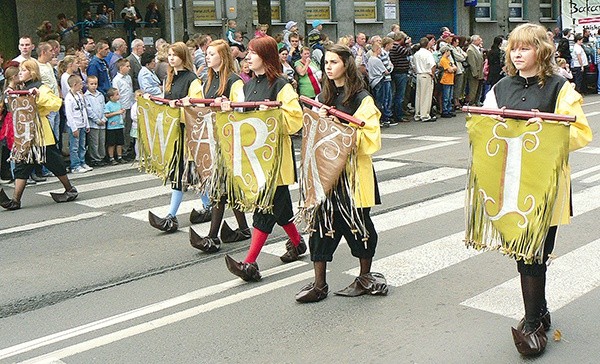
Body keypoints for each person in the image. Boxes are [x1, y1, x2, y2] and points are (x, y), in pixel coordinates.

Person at [480, 23, 592, 356]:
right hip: (509, 183)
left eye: (525, 47)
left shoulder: (562, 89)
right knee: (524, 250)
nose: (517, 53)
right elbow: (483, 128)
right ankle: (539, 312)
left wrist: (546, 131)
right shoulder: (499, 87)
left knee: (534, 250)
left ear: (541, 51)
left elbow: (581, 133)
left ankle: (531, 323)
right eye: (514, 47)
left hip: (545, 185)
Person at [295, 44, 387, 303]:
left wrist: (338, 124)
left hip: (352, 175)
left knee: (359, 226)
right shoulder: (323, 95)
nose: (328, 66)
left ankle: (364, 276)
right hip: (327, 176)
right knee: (321, 226)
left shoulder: (361, 98)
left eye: (334, 62)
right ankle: (319, 283)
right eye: (326, 62)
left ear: (346, 64)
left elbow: (371, 138)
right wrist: (318, 118)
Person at [222, 36, 305, 282]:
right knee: (280, 208)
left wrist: (272, 113)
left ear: (266, 57)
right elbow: (245, 118)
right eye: (247, 52)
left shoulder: (281, 85)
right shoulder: (247, 86)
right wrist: (231, 108)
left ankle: (249, 263)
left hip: (276, 160)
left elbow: (295, 120)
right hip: (256, 159)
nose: (248, 57)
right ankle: (298, 243)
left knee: (264, 208)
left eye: (253, 53)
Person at [189, 39, 251, 252]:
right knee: (226, 188)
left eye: (212, 54)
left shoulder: (235, 81)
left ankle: (212, 237)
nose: (208, 57)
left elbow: (242, 110)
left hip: (229, 140)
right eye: (207, 54)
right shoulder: (207, 81)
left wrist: (227, 107)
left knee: (219, 188)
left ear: (222, 57)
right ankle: (243, 228)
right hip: (213, 139)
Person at [147, 42, 211, 233]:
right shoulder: (169, 76)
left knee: (187, 172)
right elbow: (169, 103)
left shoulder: (192, 79)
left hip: (189, 133)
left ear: (183, 56)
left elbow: (196, 109)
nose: (171, 58)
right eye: (169, 55)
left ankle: (171, 216)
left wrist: (180, 108)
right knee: (189, 173)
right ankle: (206, 208)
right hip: (176, 132)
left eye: (175, 55)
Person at [0, 60, 78, 210]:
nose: (20, 73)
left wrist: (38, 96)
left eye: (23, 70)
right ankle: (15, 200)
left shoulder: (40, 88)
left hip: (41, 136)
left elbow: (56, 103)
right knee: (22, 166)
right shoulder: (21, 88)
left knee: (55, 164)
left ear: (32, 72)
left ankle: (69, 189)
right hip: (25, 136)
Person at [65, 75, 92, 173]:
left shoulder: (79, 95)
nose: (82, 85)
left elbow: (83, 109)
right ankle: (75, 165)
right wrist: (74, 128)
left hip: (82, 124)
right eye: (80, 84)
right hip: (75, 125)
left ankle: (82, 162)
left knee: (82, 145)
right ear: (75, 85)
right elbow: (69, 114)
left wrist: (87, 124)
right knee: (74, 147)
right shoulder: (69, 98)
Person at [368, 43, 393, 127]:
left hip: (373, 81)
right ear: (377, 50)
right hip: (379, 80)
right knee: (381, 101)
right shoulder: (377, 60)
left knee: (376, 99)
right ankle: (381, 119)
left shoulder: (370, 59)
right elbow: (386, 71)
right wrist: (390, 66)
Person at [112, 58, 134, 155]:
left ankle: (127, 147)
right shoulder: (117, 80)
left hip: (129, 104)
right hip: (122, 106)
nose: (129, 68)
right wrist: (119, 107)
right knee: (123, 128)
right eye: (127, 66)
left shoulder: (128, 77)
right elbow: (117, 94)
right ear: (121, 67)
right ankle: (121, 151)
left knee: (129, 128)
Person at [84, 75, 107, 167]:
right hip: (94, 123)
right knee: (94, 142)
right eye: (91, 84)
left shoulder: (100, 95)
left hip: (102, 122)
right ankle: (95, 158)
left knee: (102, 140)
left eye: (95, 84)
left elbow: (104, 108)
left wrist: (104, 118)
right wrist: (97, 120)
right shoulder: (86, 96)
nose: (94, 86)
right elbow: (89, 110)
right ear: (87, 84)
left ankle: (101, 156)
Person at [413, 37, 437, 122]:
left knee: (419, 95)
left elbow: (414, 66)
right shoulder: (428, 53)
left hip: (419, 75)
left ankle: (418, 114)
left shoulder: (416, 54)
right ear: (427, 44)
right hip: (426, 74)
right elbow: (433, 65)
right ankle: (425, 115)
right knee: (426, 96)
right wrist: (433, 74)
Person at [104, 87, 126, 164]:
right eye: (117, 94)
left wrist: (122, 111)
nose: (118, 96)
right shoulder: (108, 105)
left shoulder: (119, 103)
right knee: (111, 143)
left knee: (119, 142)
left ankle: (119, 156)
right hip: (111, 127)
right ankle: (111, 157)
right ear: (111, 97)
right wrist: (117, 112)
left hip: (119, 125)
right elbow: (106, 115)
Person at [438, 46, 457, 118]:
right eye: (449, 51)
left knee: (450, 97)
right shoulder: (443, 60)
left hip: (451, 79)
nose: (450, 52)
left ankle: (449, 110)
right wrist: (452, 69)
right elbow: (449, 70)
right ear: (445, 51)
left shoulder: (448, 59)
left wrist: (452, 68)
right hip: (446, 80)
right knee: (446, 97)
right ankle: (445, 110)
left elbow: (455, 68)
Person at [466, 35, 485, 105]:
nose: (481, 40)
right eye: (479, 39)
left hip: (480, 72)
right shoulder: (470, 50)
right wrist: (475, 73)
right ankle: (471, 102)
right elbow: (472, 63)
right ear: (475, 41)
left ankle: (476, 101)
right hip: (474, 73)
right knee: (473, 89)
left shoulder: (478, 48)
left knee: (478, 89)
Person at [129, 89, 143, 161]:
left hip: (143, 126)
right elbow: (133, 117)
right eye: (139, 96)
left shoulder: (144, 105)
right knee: (138, 142)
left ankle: (143, 155)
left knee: (143, 142)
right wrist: (140, 119)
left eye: (142, 96)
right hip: (137, 126)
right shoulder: (134, 106)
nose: (140, 97)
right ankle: (138, 155)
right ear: (135, 97)